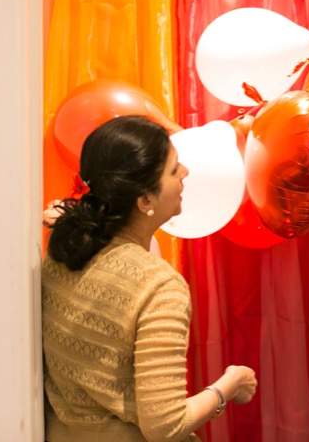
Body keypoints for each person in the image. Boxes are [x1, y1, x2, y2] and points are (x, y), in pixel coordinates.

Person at [41, 115, 257, 442]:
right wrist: (230, 384)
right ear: (145, 201)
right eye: (174, 169)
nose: (186, 173)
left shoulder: (63, 249)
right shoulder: (159, 287)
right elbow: (166, 427)